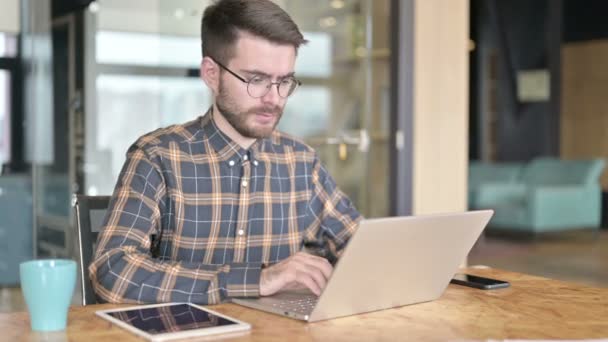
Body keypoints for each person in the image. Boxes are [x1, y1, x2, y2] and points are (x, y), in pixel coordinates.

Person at [89, 0, 361, 305]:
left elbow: (361, 250)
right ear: (211, 74)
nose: (274, 98)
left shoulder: (301, 162)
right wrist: (256, 280)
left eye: (284, 81)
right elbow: (113, 271)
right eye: (256, 80)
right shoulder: (157, 157)